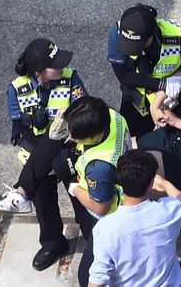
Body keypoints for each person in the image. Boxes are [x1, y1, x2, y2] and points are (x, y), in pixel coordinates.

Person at [0, 39, 88, 271]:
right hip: (35, 156)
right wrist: (41, 144)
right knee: (44, 207)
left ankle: (95, 237)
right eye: (55, 64)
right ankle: (53, 243)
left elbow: (84, 110)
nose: (62, 66)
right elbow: (19, 130)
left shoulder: (71, 78)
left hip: (68, 150)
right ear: (38, 71)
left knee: (82, 199)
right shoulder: (16, 89)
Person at [88, 150, 181, 287]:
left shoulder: (104, 229)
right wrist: (165, 184)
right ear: (151, 183)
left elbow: (97, 280)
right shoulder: (170, 210)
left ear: (120, 182)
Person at [62, 96, 132, 287]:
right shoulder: (112, 115)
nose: (70, 138)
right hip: (126, 186)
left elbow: (101, 207)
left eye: (76, 137)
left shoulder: (98, 167)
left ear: (96, 135)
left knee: (87, 276)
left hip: (110, 217)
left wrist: (75, 188)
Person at [107, 4, 181, 137]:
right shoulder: (116, 32)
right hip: (136, 95)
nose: (130, 49)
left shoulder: (179, 37)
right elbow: (124, 76)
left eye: (137, 45)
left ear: (152, 35)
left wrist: (175, 82)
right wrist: (163, 85)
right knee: (132, 141)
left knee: (180, 139)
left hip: (172, 96)